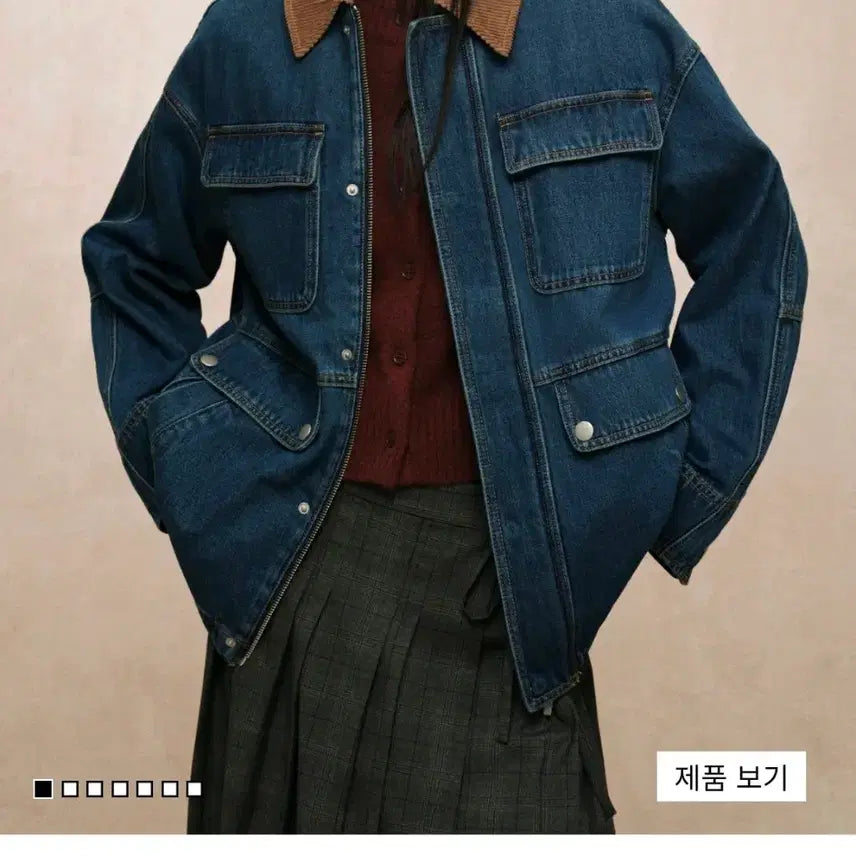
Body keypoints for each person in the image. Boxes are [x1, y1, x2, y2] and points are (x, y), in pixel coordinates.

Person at [80, 0, 808, 834]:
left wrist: (679, 488)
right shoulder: (246, 33)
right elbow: (133, 260)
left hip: (512, 575)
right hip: (286, 565)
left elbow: (754, 240)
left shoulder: (612, 26)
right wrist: (189, 468)